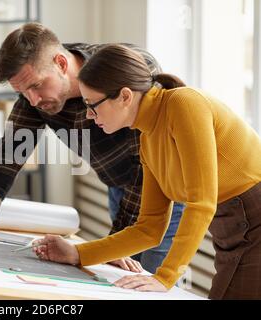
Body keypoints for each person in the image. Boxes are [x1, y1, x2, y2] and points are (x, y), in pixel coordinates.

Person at [32, 44, 261, 299]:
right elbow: (149, 228)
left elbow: (201, 202)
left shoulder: (184, 105)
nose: (88, 115)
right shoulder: (147, 138)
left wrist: (165, 277)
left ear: (125, 96)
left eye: (92, 104)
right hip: (233, 228)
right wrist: (78, 253)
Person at [0, 22, 185, 274]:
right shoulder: (35, 96)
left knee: (148, 283)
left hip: (164, 192)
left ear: (61, 64)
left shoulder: (120, 73)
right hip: (118, 188)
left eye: (35, 86)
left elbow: (144, 172)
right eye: (23, 92)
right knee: (120, 279)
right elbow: (11, 152)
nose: (32, 100)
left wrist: (111, 246)